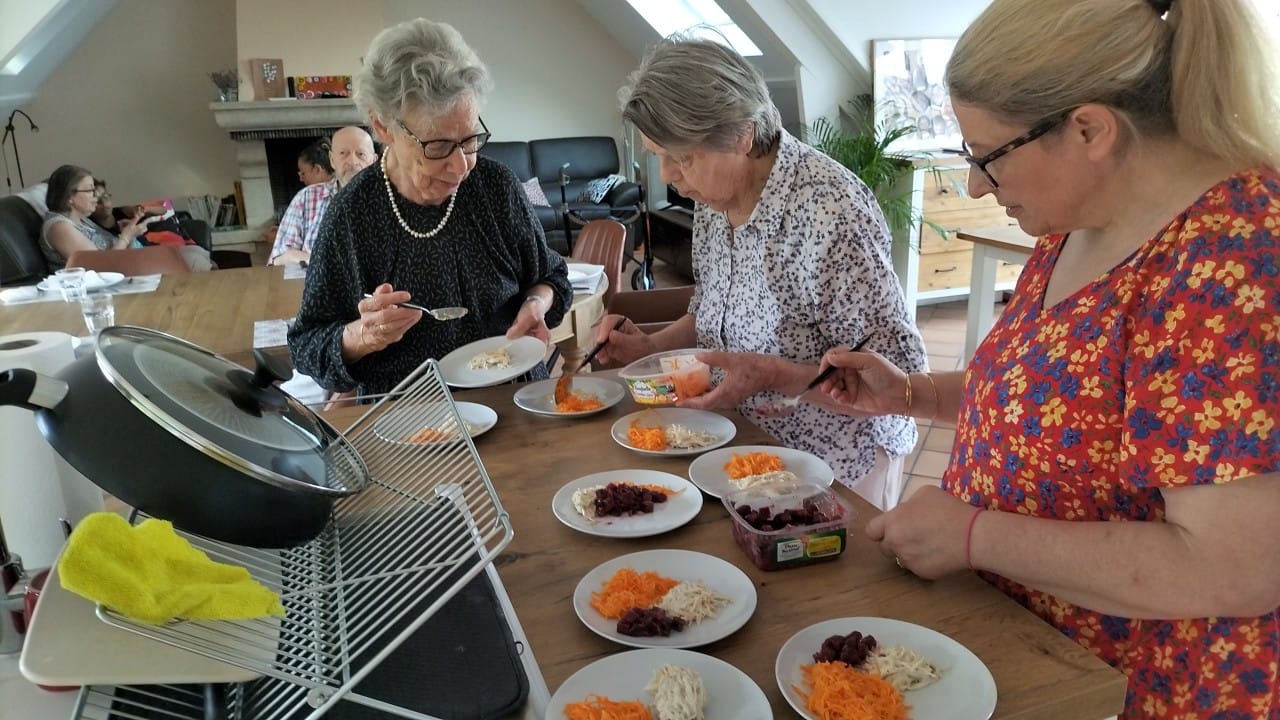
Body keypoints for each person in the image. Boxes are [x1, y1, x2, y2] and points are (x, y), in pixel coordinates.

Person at [818, 0, 1280, 716]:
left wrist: (973, 534)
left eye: (986, 157)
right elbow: (1059, 395)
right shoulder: (1084, 217)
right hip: (1037, 649)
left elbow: (1233, 567)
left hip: (1138, 686)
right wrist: (910, 393)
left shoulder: (1236, 258)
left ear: (1090, 129)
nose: (975, 185)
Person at [596, 35, 926, 510]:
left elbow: (898, 382)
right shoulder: (715, 200)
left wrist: (772, 373)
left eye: (683, 157)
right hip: (747, 453)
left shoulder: (829, 211)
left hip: (837, 466)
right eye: (658, 154)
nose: (667, 174)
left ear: (742, 135)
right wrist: (649, 346)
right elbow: (713, 312)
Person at [288, 18, 571, 399]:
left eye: (470, 139)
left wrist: (536, 304)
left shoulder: (495, 187)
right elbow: (308, 345)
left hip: (514, 399)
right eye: (437, 146)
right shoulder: (352, 215)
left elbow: (550, 276)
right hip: (408, 418)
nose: (461, 166)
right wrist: (362, 335)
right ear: (383, 127)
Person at [268, 126, 377, 265]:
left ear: (374, 160)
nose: (353, 162)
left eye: (361, 154)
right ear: (332, 159)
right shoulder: (306, 198)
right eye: (343, 153)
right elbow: (280, 257)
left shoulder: (390, 200)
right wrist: (321, 265)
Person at [37, 165, 153, 272]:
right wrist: (125, 237)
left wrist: (129, 234)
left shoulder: (81, 219)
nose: (96, 197)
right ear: (69, 197)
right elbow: (100, 267)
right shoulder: (59, 227)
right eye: (90, 191)